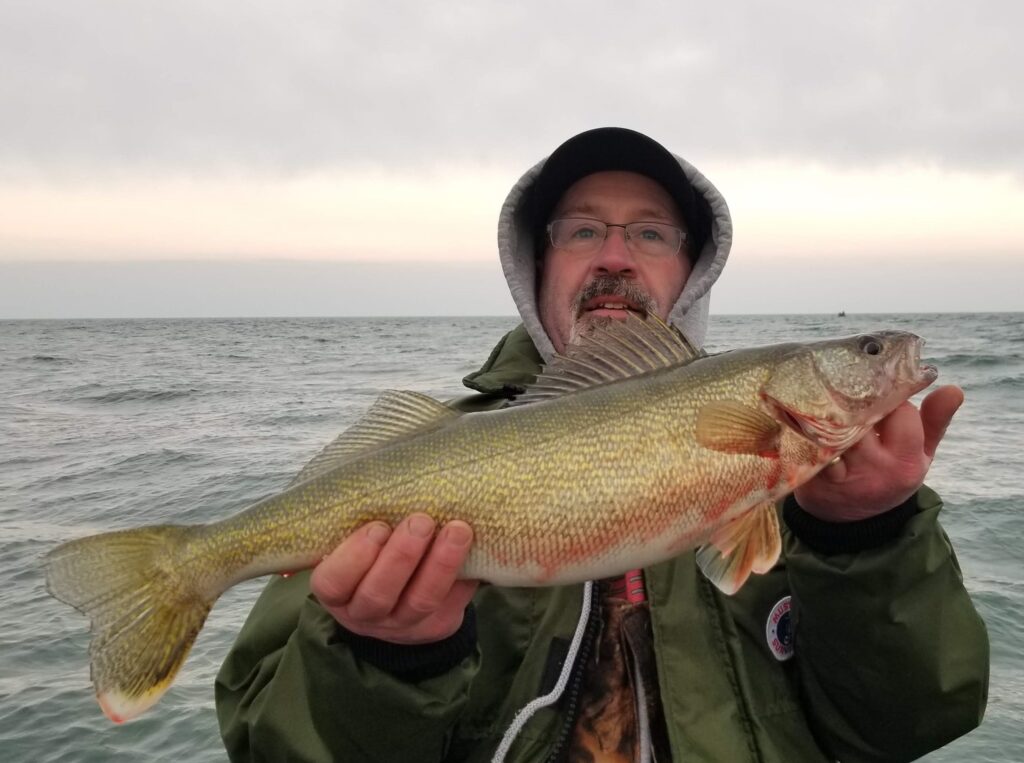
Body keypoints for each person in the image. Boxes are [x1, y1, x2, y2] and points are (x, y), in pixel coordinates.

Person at [215, 128, 989, 762]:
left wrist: (867, 536)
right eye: (582, 229)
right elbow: (267, 745)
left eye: (650, 232)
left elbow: (910, 725)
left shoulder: (814, 488)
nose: (614, 255)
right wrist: (381, 659)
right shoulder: (430, 450)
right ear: (536, 266)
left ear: (692, 271)